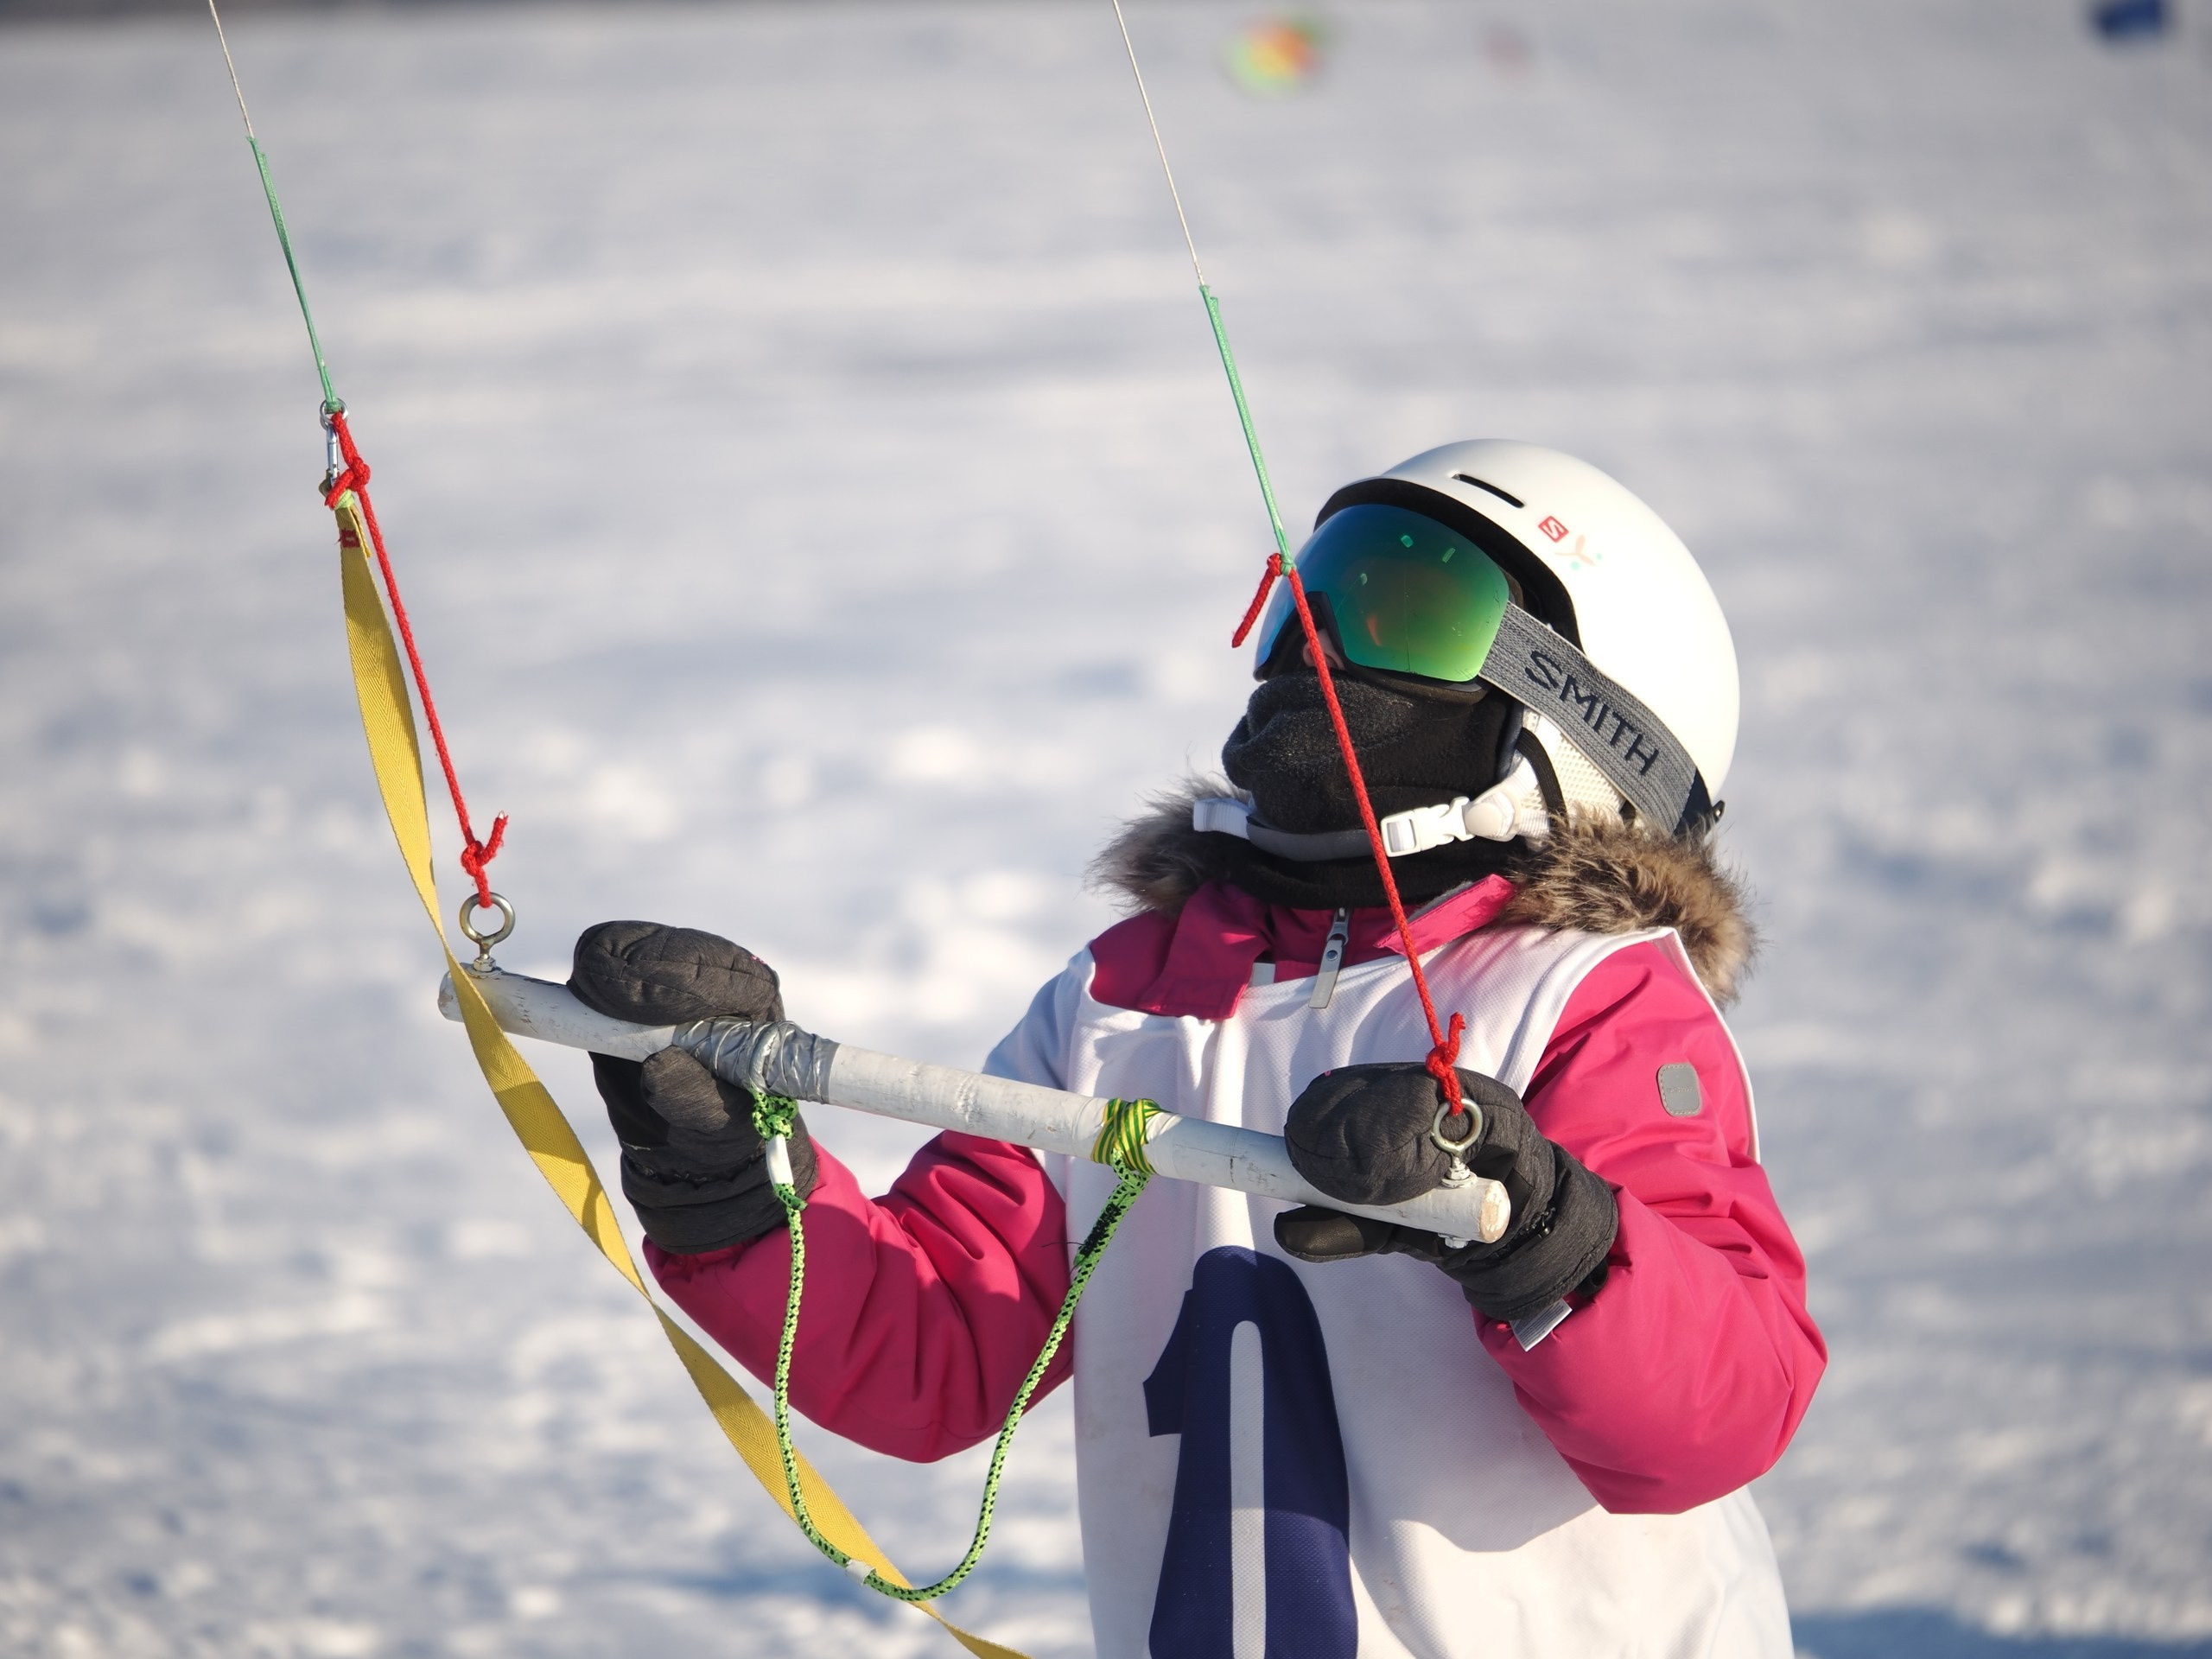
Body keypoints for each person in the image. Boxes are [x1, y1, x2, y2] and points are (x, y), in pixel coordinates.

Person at [569, 441, 1825, 1659]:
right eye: (1305, 605)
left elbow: (1719, 1417)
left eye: (1408, 610)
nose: (1322, 648)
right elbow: (934, 1343)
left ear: (1580, 721)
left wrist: (1543, 1225)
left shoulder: (1582, 999)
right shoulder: (1128, 999)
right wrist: (728, 1181)